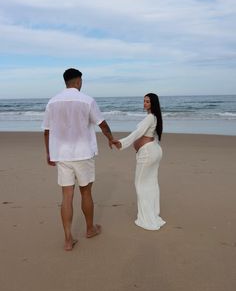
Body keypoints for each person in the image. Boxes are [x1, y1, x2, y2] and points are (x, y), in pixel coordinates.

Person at [42, 68, 114, 251]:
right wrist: (110, 138)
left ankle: (68, 239)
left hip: (62, 154)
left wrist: (49, 153)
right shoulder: (87, 100)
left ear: (65, 81)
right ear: (78, 81)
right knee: (86, 193)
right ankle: (90, 229)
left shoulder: (52, 102)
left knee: (67, 196)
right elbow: (102, 124)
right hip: (83, 153)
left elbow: (47, 130)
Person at [112, 93, 166, 230]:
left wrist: (122, 143)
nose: (145, 103)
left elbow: (137, 133)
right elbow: (153, 135)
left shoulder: (149, 117)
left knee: (141, 185)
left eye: (147, 101)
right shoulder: (156, 117)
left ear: (153, 103)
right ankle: (154, 214)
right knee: (152, 183)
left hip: (148, 153)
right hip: (155, 151)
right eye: (144, 101)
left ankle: (146, 219)